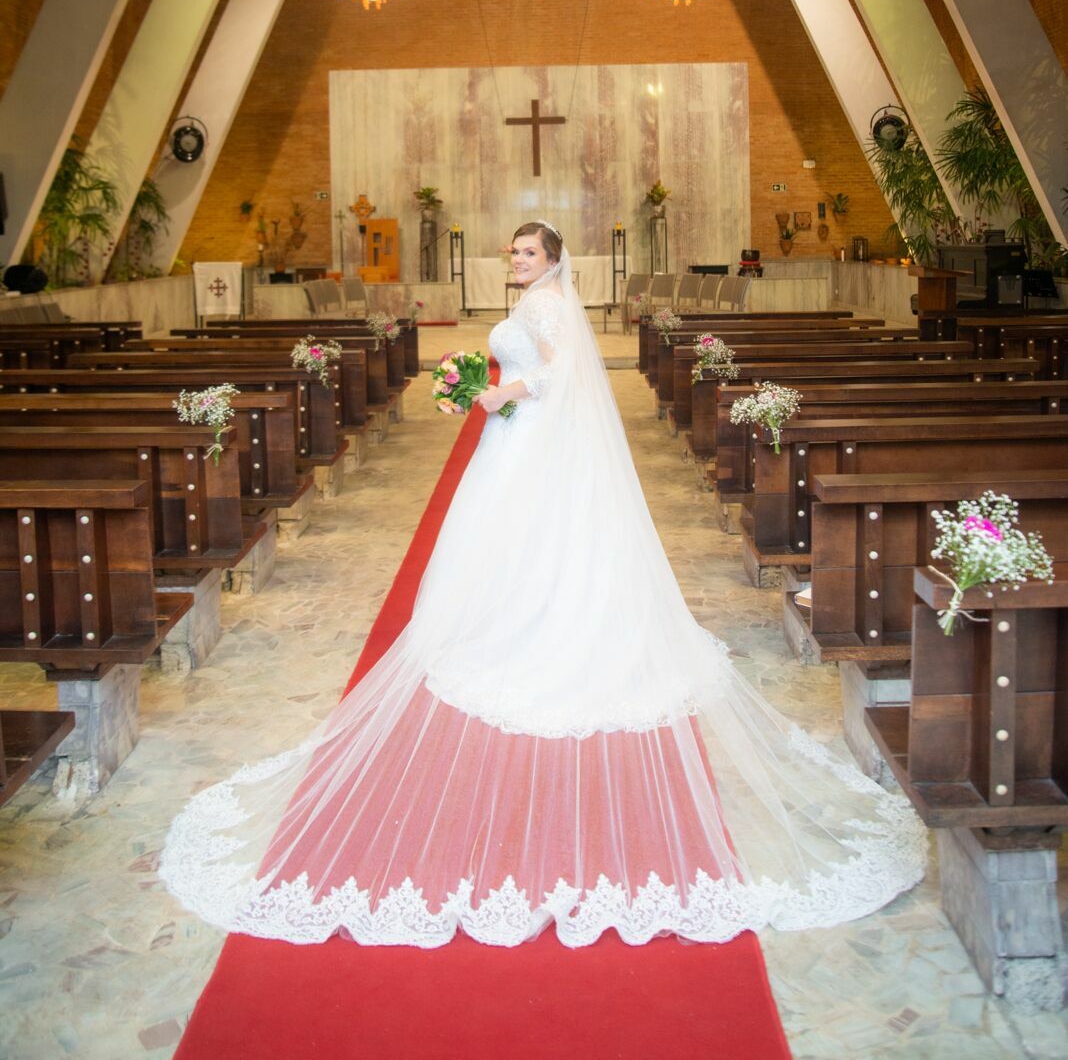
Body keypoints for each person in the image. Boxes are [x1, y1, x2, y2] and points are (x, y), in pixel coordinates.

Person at [160, 221, 926, 947]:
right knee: (504, 538)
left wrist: (498, 394)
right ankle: (512, 615)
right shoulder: (534, 301)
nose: (517, 258)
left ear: (553, 259)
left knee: (530, 533)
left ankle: (537, 623)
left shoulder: (550, 303)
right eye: (514, 251)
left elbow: (554, 376)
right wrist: (487, 387)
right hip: (515, 438)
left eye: (528, 251)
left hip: (526, 432)